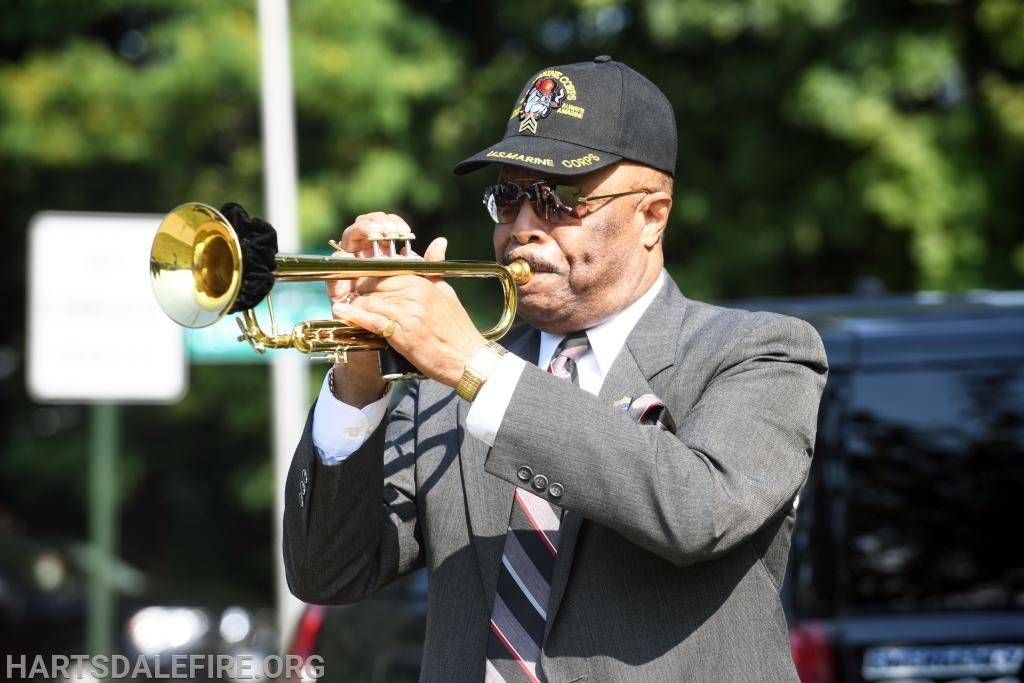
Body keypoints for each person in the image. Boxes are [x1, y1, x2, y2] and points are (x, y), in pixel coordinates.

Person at [283, 56, 828, 682]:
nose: (522, 229)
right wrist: (358, 380)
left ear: (652, 216)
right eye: (508, 198)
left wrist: (474, 366)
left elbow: (696, 513)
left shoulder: (760, 351)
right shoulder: (447, 384)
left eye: (557, 200)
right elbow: (328, 572)